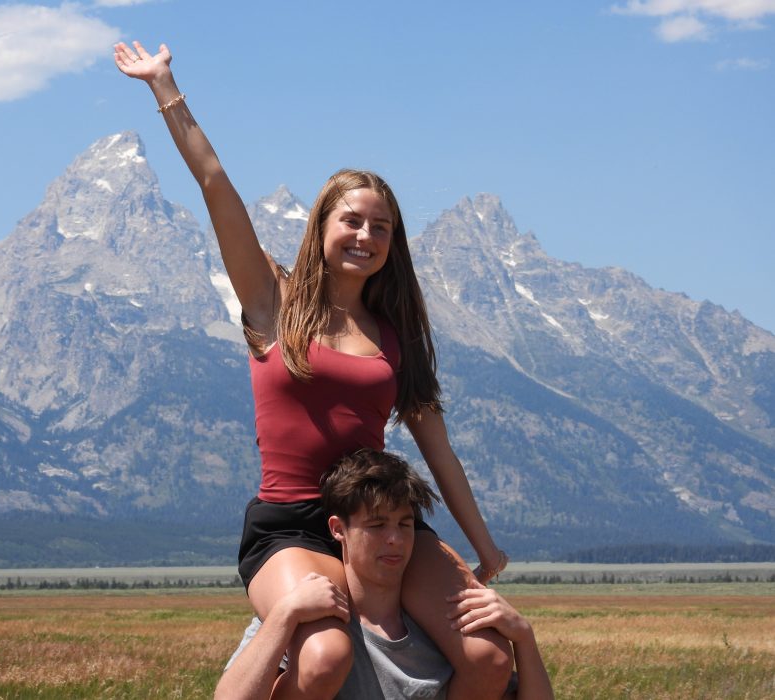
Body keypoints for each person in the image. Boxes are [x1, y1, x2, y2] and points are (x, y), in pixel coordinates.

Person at [115, 40, 511, 699]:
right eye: (351, 220)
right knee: (324, 655)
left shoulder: (397, 334)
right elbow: (216, 186)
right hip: (292, 524)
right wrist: (164, 87)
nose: (365, 236)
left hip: (381, 517)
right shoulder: (272, 304)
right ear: (320, 225)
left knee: (489, 657)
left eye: (380, 227)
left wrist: (483, 544)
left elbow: (437, 448)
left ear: (394, 243)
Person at [215, 449, 553, 700]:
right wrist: (284, 615)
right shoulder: (308, 615)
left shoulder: (442, 627)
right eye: (376, 525)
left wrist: (523, 636)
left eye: (405, 525)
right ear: (338, 529)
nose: (394, 539)